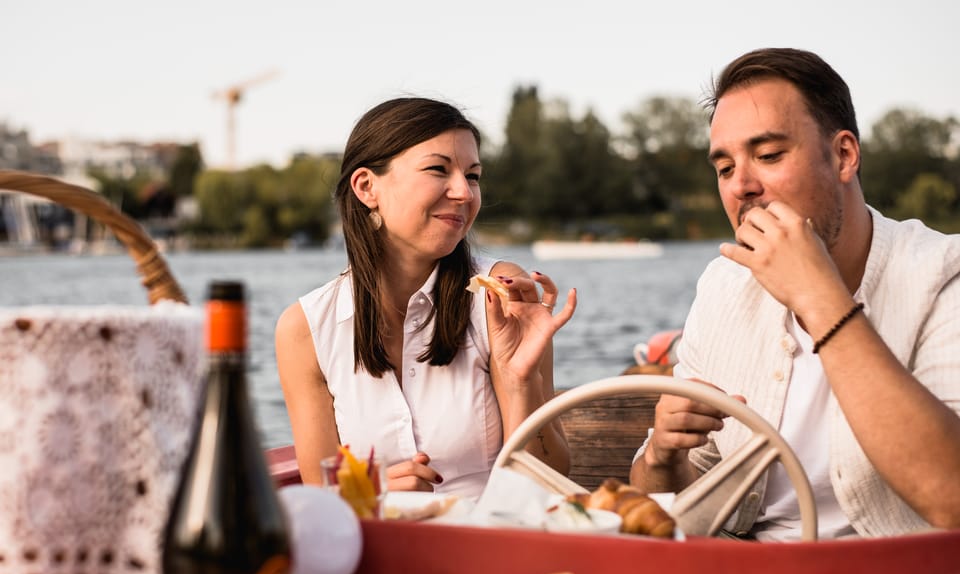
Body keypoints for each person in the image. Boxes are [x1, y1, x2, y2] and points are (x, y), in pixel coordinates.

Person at [630, 48, 960, 540]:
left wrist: (817, 294)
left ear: (843, 155)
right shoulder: (723, 287)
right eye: (724, 168)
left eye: (768, 156)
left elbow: (951, 500)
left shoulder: (942, 275)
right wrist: (662, 456)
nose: (741, 185)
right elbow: (678, 506)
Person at [275, 97, 577, 500]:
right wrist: (372, 492)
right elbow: (323, 499)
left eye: (473, 176)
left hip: (494, 546)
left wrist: (522, 380)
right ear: (367, 187)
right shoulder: (304, 330)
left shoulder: (502, 295)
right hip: (382, 552)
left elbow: (548, 482)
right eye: (439, 169)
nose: (464, 193)